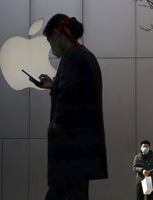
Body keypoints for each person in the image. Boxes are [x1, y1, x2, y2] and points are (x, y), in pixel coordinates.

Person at [29, 13, 108, 200]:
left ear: (58, 34)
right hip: (84, 148)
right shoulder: (87, 55)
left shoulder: (71, 57)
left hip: (70, 148)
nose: (52, 48)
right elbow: (77, 91)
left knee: (61, 192)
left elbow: (67, 94)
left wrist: (57, 123)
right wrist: (52, 85)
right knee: (73, 193)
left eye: (50, 42)